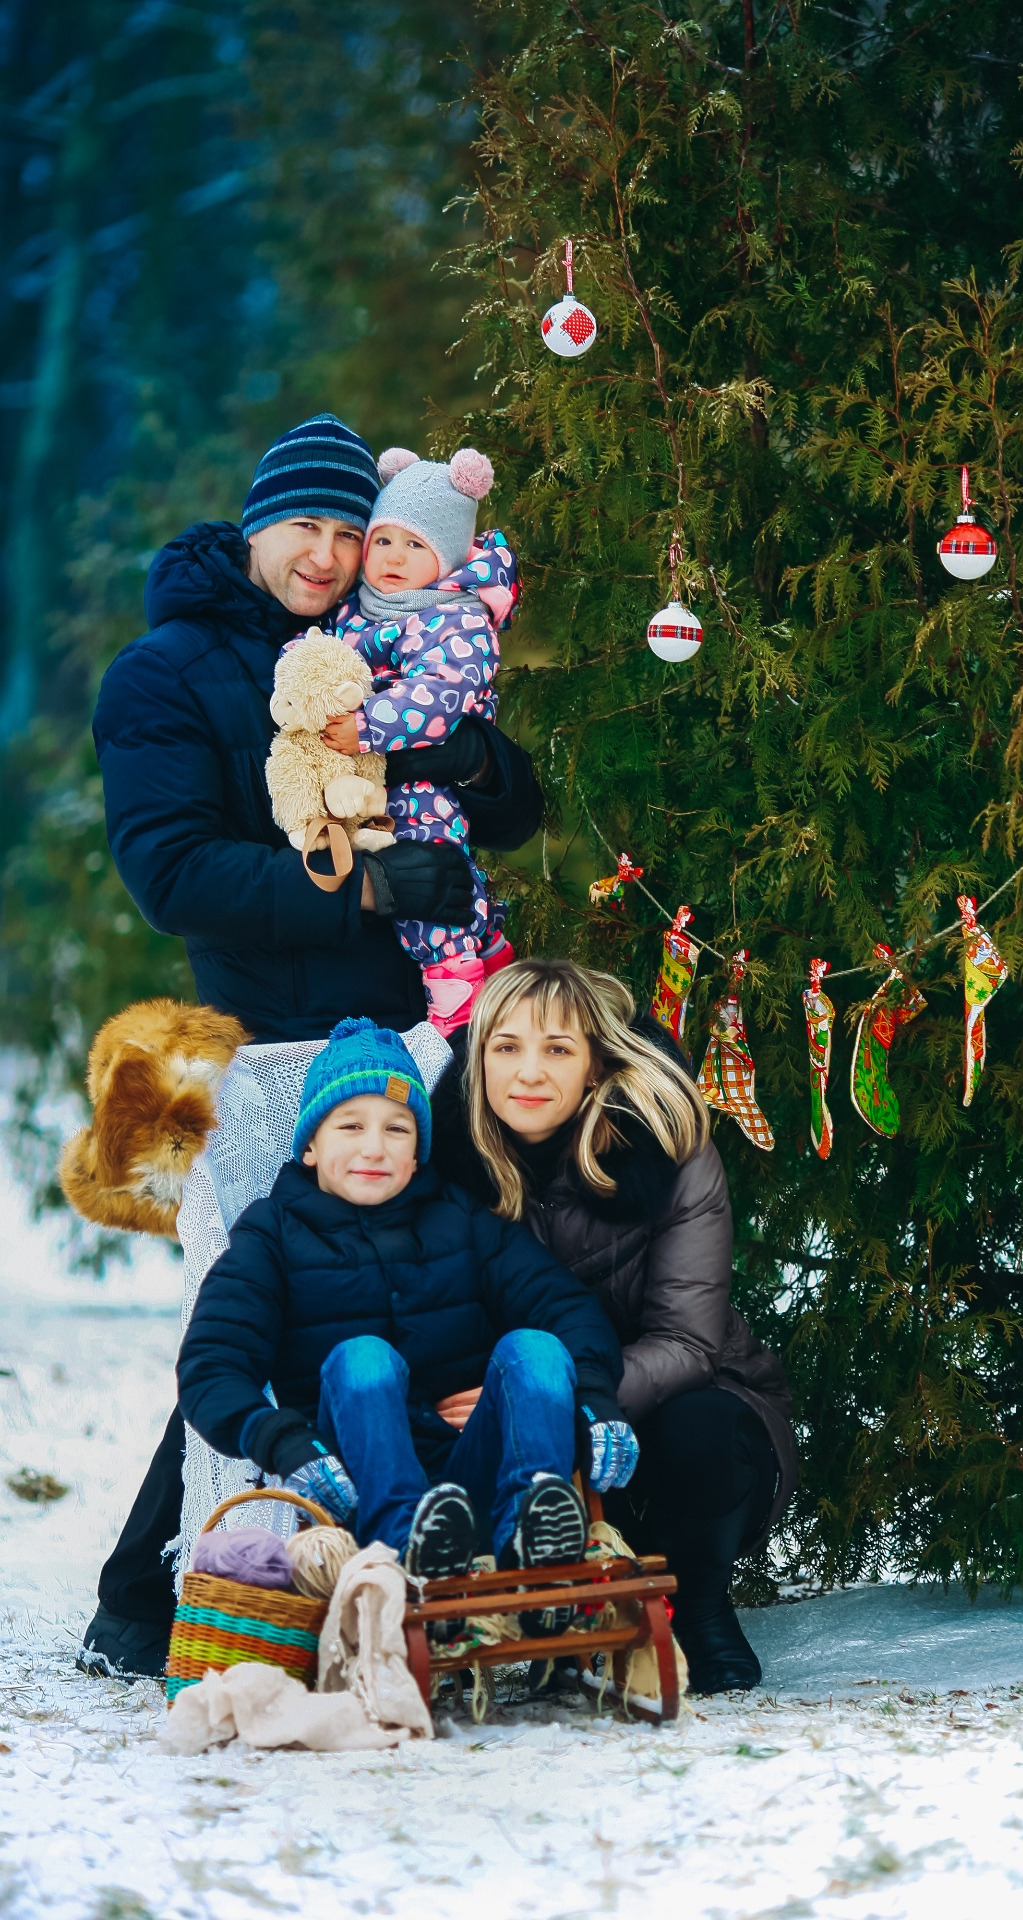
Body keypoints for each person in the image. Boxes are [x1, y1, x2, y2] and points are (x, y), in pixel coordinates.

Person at [79, 414, 544, 1679]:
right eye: (306, 528)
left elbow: (506, 806)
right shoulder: (167, 672)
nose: (330, 555)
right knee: (261, 1312)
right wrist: (367, 888)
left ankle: (423, 1579)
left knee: (404, 1314)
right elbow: (174, 871)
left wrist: (461, 754)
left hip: (421, 1033)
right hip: (275, 1050)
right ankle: (162, 1596)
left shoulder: (388, 642)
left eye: (353, 530)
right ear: (252, 526)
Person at [429, 957, 799, 1694]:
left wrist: (566, 1404)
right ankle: (511, 1609)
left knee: (696, 1426)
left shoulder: (668, 1150)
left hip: (682, 1408)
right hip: (523, 1410)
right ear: (477, 1060)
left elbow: (688, 1343)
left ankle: (699, 1603)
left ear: (597, 1067)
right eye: (506, 1047)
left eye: (557, 1049)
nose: (528, 1072)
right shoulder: (448, 1161)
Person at [177, 1017, 637, 1608]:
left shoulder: (461, 1221)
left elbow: (566, 1308)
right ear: (310, 1145)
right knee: (360, 1358)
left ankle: (535, 1546)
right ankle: (408, 1554)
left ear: (418, 1150)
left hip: (472, 1478)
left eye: (397, 1129)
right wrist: (286, 1442)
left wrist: (594, 1398)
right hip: (354, 1495)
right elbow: (212, 1366)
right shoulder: (272, 1236)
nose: (374, 1147)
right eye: (350, 1125)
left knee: (537, 1348)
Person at [312, 443, 519, 1030]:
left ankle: (455, 990)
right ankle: (494, 957)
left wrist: (367, 728)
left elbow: (441, 695)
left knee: (430, 869)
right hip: (368, 776)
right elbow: (328, 658)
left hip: (426, 778)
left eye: (415, 545)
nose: (394, 558)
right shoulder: (360, 609)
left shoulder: (456, 616)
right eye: (383, 541)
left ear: (446, 558)